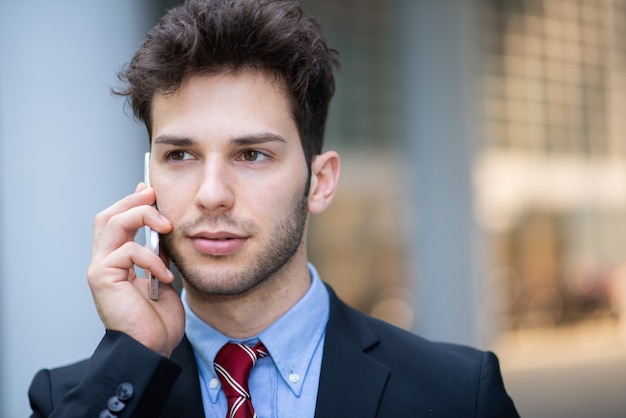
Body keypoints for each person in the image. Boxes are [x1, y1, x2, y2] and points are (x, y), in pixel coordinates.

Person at [28, 0, 519, 416]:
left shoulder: (458, 394)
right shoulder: (82, 397)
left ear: (320, 182)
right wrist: (132, 356)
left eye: (252, 154)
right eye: (180, 155)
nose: (212, 193)